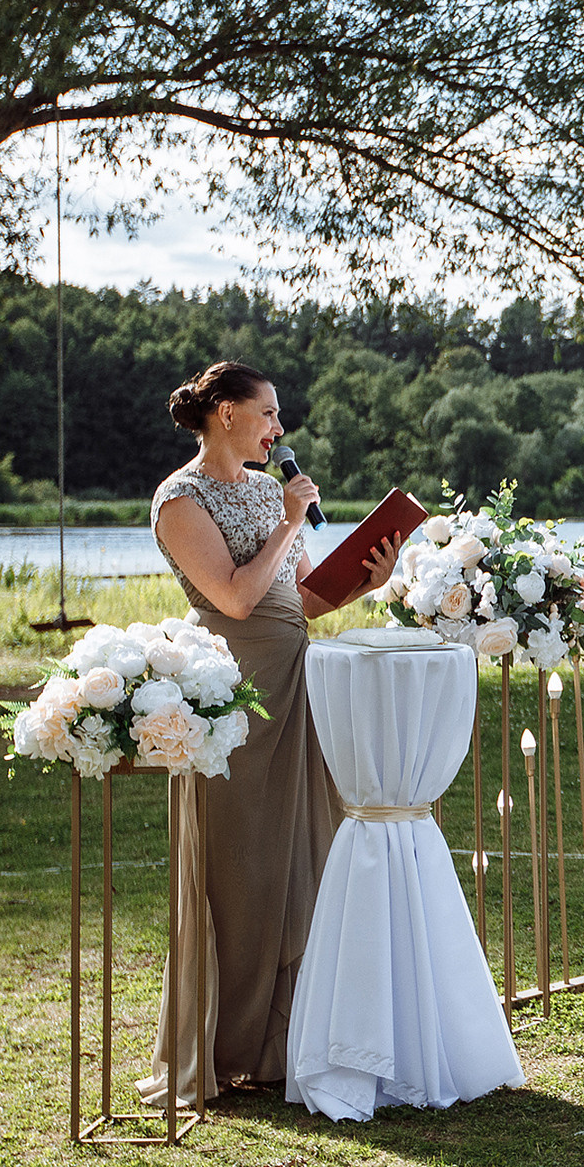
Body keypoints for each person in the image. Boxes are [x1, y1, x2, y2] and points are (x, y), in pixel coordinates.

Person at [145, 361, 398, 1093]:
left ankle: (290, 1043)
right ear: (225, 413)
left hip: (296, 678)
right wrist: (289, 522)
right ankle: (226, 1044)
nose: (279, 429)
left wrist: (366, 581)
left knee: (301, 855)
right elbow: (233, 598)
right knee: (241, 864)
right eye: (268, 414)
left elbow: (300, 599)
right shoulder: (179, 499)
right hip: (232, 690)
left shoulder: (266, 489)